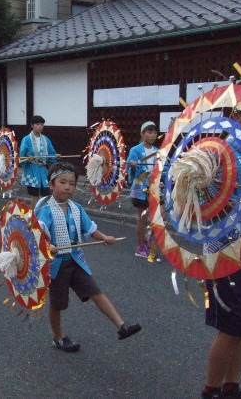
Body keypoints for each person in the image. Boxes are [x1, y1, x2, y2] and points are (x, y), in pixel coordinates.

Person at [34, 162, 142, 352]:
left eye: (72, 183)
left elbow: (89, 228)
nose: (68, 187)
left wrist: (104, 237)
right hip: (56, 265)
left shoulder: (76, 208)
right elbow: (37, 233)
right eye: (62, 182)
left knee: (95, 291)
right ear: (51, 185)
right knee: (58, 304)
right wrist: (47, 245)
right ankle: (58, 337)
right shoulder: (46, 209)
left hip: (75, 260)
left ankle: (121, 325)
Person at [200, 103, 241, 399]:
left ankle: (231, 386)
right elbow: (201, 200)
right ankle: (211, 389)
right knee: (231, 324)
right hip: (225, 249)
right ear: (236, 116)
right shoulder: (214, 152)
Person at [127, 121, 159, 258]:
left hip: (154, 187)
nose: (152, 135)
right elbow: (130, 170)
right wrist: (133, 166)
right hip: (139, 187)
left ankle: (148, 242)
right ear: (142, 134)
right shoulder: (135, 150)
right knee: (142, 218)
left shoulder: (158, 151)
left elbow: (160, 170)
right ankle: (140, 247)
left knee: (157, 218)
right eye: (149, 132)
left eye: (154, 132)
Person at [19, 115, 57, 209]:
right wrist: (27, 159)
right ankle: (34, 216)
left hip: (43, 170)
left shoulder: (46, 139)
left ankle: (43, 214)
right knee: (35, 194)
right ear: (32, 125)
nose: (40, 126)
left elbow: (51, 153)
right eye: (37, 124)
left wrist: (54, 157)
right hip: (32, 170)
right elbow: (21, 155)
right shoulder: (26, 139)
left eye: (42, 124)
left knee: (46, 194)